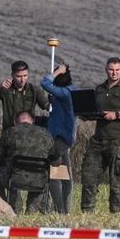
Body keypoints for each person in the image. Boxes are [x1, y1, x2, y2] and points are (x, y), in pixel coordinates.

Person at [80, 57, 120, 213]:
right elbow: (97, 110)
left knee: (116, 181)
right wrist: (87, 114)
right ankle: (87, 212)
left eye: (117, 70)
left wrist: (116, 114)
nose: (114, 73)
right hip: (98, 140)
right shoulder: (99, 89)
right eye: (111, 70)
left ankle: (116, 214)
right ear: (106, 70)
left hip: (117, 141)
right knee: (89, 177)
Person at [0, 111, 59, 213]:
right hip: (39, 179)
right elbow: (56, 161)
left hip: (14, 178)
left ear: (16, 122)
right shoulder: (45, 134)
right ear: (32, 121)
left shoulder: (10, 132)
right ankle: (33, 209)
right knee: (41, 176)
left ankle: (7, 207)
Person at [41, 63, 77, 214]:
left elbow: (45, 83)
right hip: (64, 139)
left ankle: (61, 210)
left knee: (56, 177)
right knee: (65, 177)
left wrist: (56, 72)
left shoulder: (65, 93)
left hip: (59, 140)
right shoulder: (70, 91)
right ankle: (64, 210)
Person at [0, 60, 49, 131]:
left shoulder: (34, 90)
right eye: (19, 76)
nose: (22, 80)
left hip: (29, 132)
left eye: (25, 75)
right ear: (12, 75)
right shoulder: (5, 89)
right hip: (9, 132)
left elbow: (47, 106)